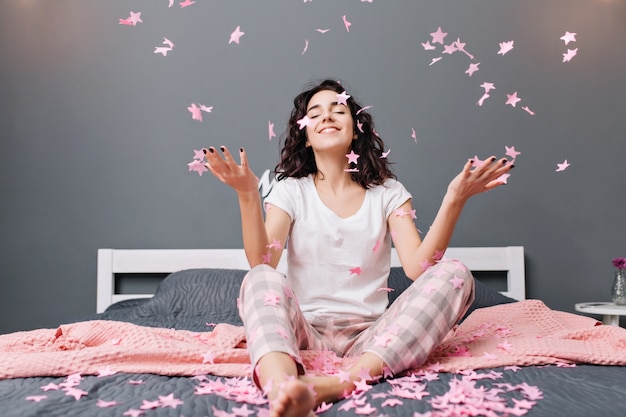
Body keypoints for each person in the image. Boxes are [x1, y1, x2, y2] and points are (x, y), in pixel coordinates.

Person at [203, 79, 513, 417]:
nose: (327, 116)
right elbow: (264, 259)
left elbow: (418, 269)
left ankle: (344, 382)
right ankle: (282, 388)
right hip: (306, 331)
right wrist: (248, 195)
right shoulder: (289, 190)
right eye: (315, 113)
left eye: (339, 110)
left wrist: (455, 199)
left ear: (355, 131)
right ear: (305, 135)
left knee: (455, 273)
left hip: (372, 338)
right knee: (261, 276)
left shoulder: (389, 192)